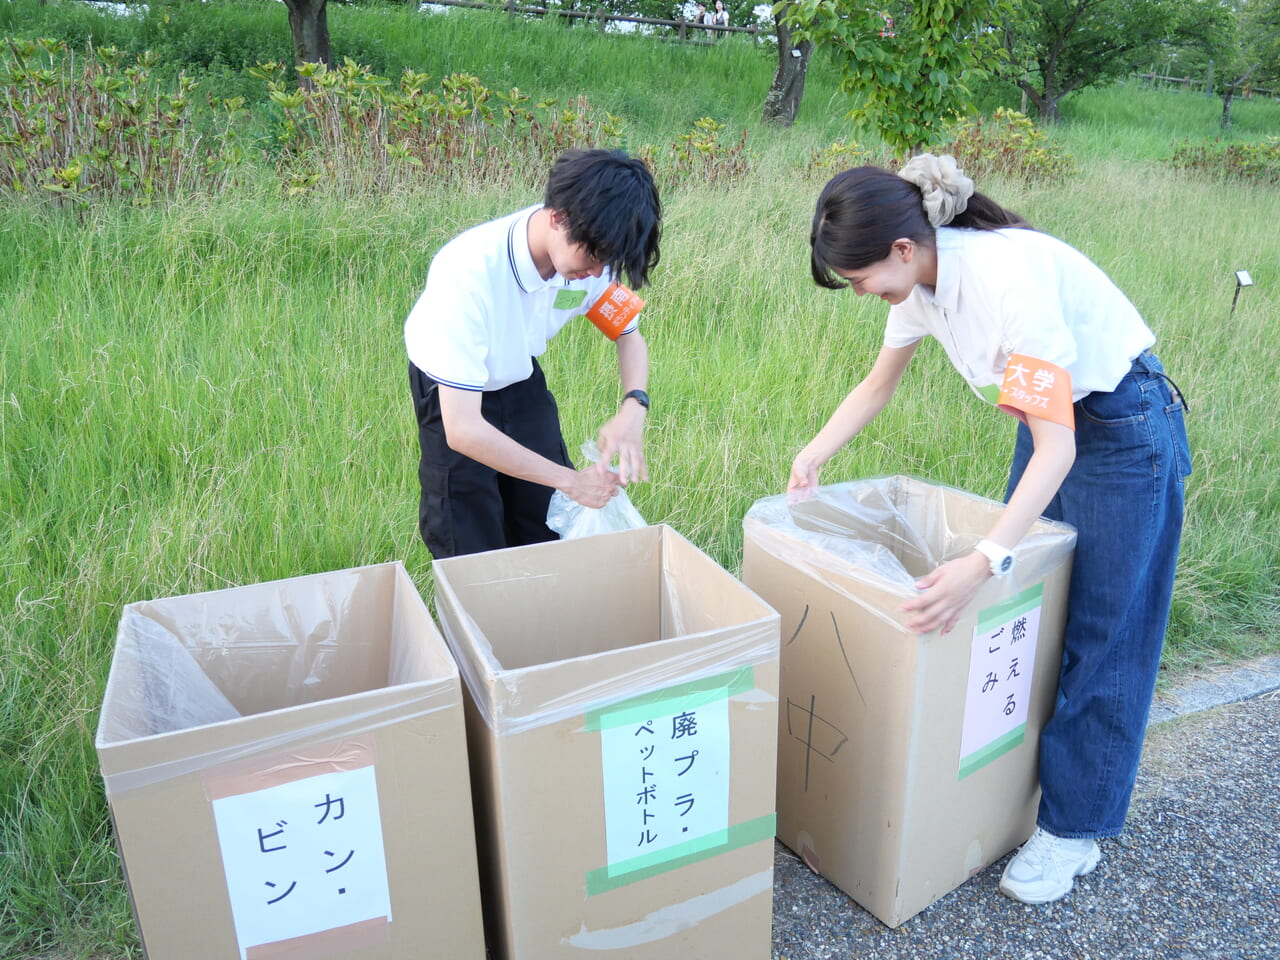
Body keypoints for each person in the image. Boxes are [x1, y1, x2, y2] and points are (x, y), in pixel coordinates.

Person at [789, 155, 1191, 905]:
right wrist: (813, 454)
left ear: (903, 249)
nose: (862, 293)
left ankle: (1075, 830)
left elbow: (1062, 447)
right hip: (1051, 430)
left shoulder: (1007, 282)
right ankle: (1022, 797)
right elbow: (877, 385)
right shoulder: (921, 286)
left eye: (861, 278)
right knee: (1029, 619)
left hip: (1121, 428)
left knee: (1104, 635)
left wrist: (982, 559)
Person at [405, 148, 661, 559]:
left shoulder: (591, 255)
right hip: (451, 391)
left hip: (519, 376)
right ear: (557, 217)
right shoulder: (467, 274)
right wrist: (571, 480)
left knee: (543, 521)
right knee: (468, 536)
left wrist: (635, 406)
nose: (597, 273)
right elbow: (464, 429)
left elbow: (629, 334)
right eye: (594, 258)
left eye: (608, 262)